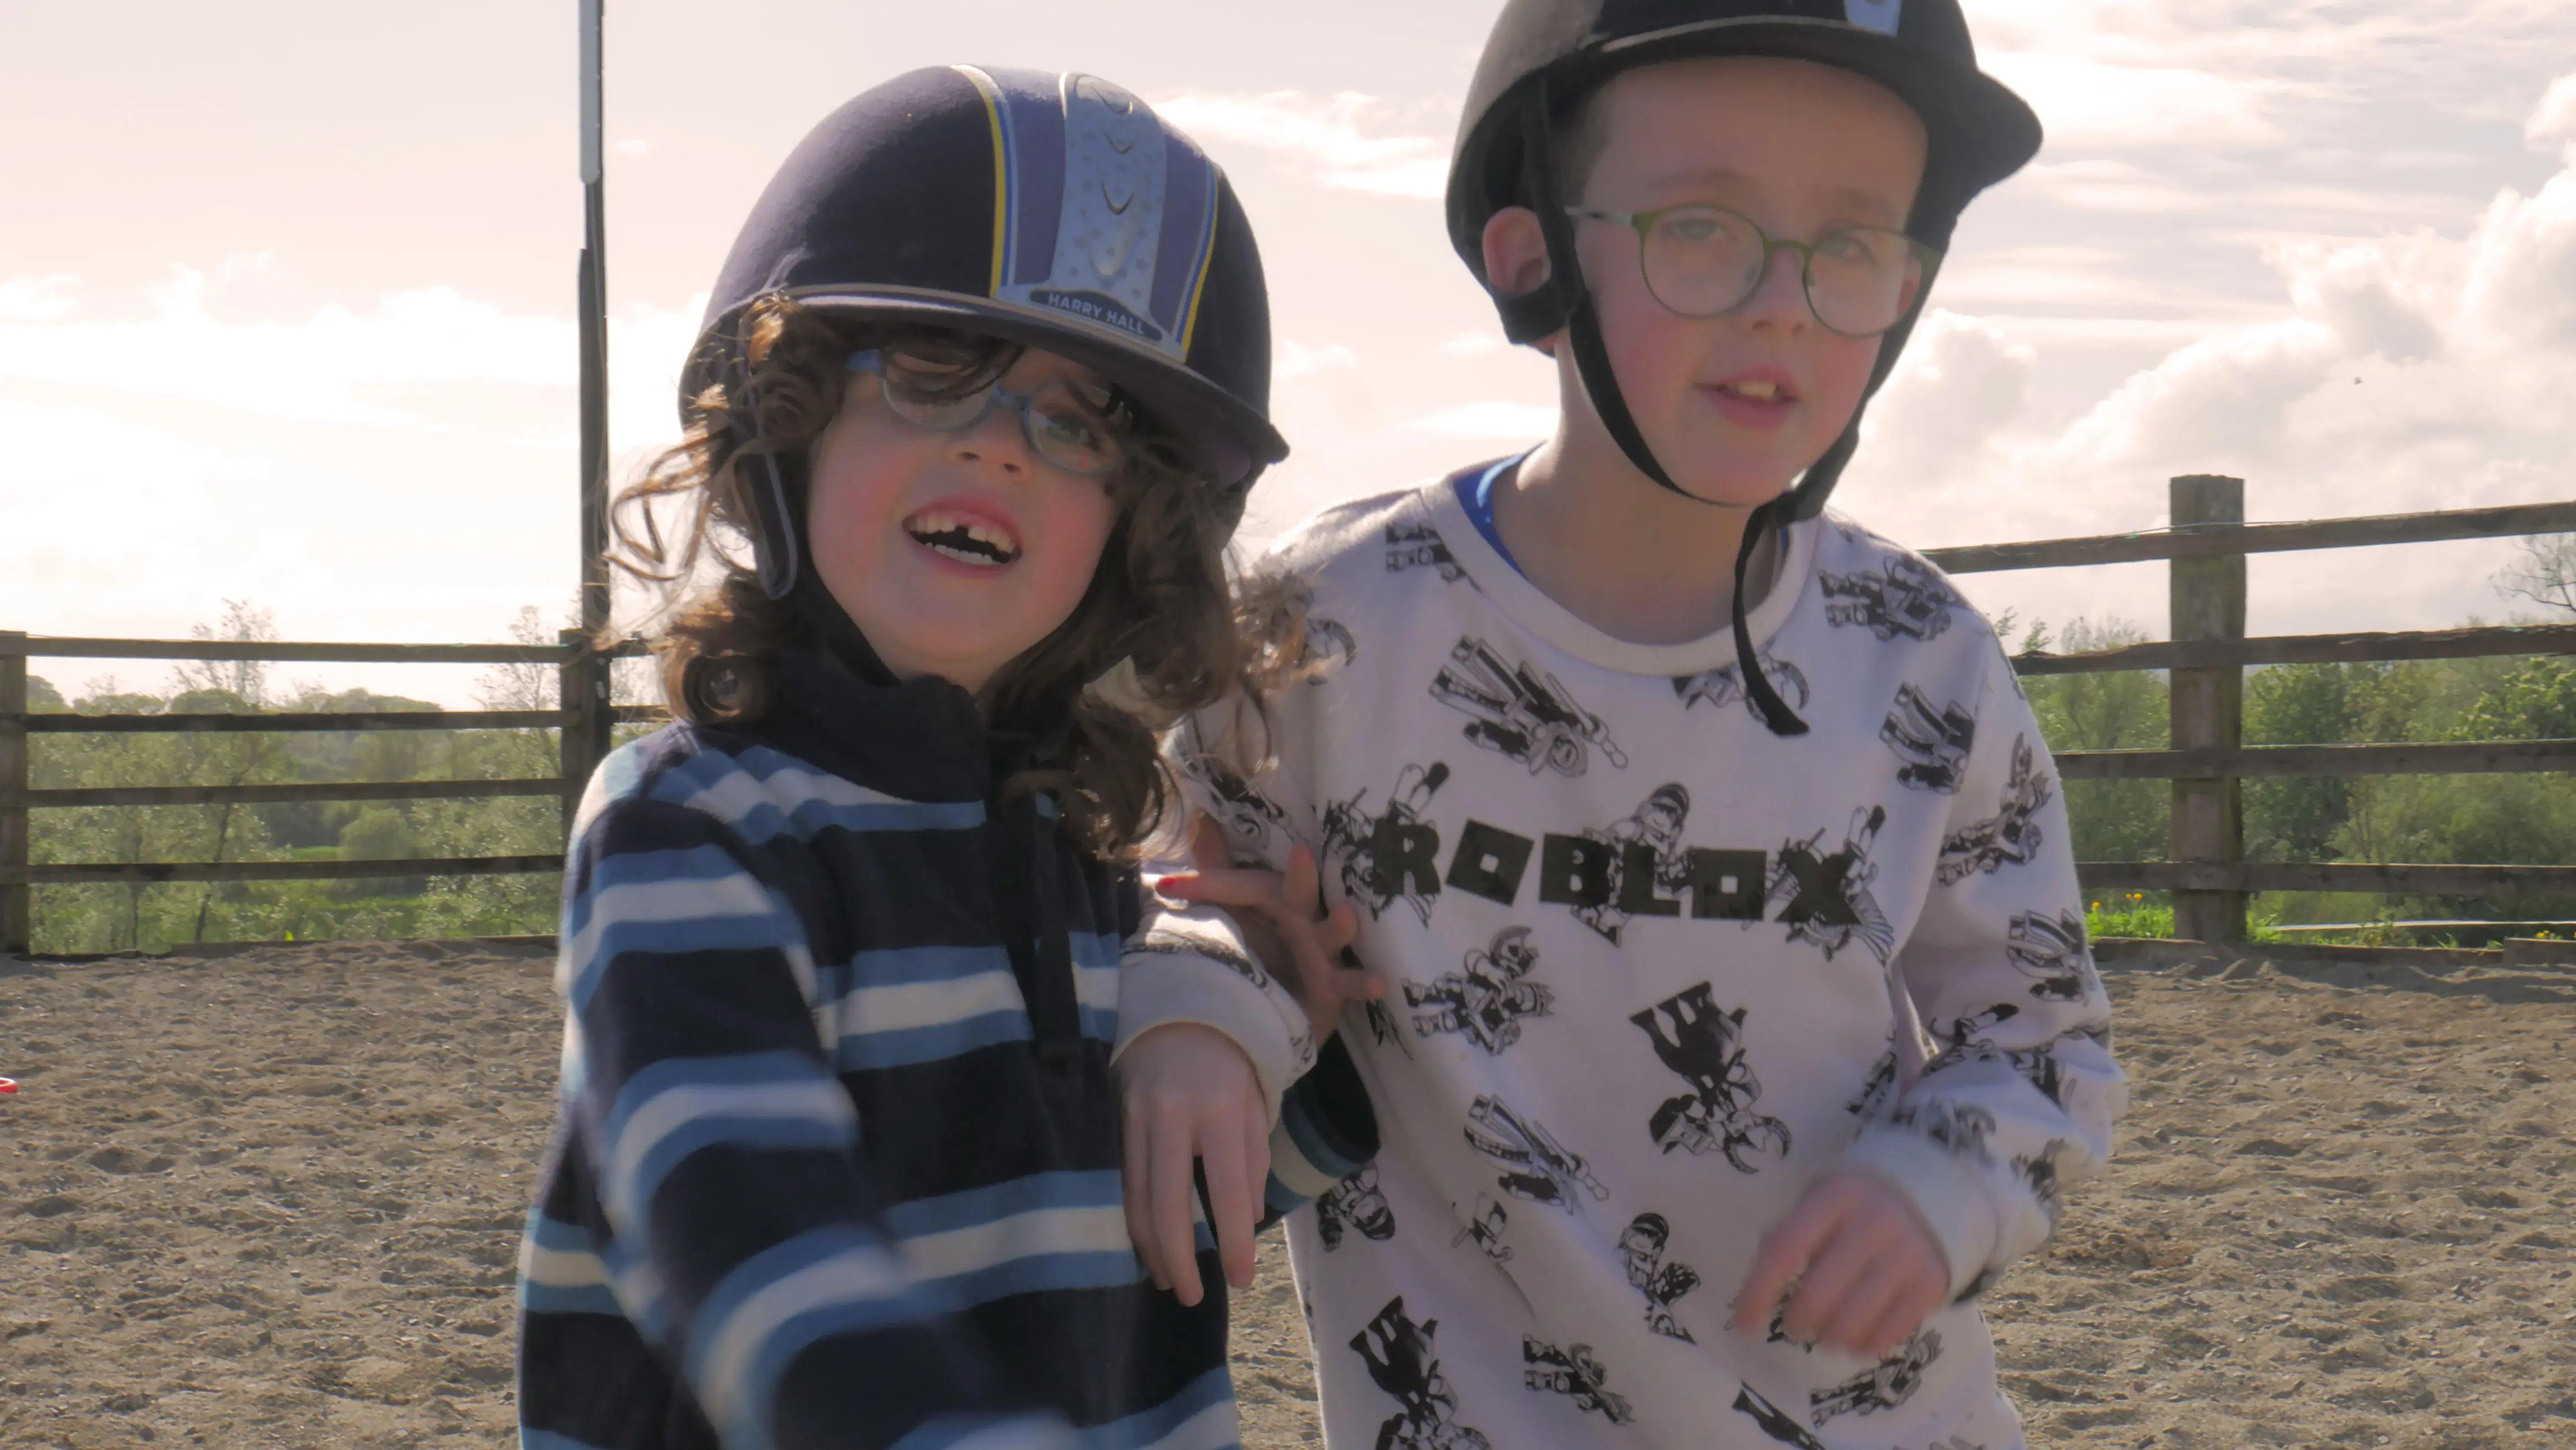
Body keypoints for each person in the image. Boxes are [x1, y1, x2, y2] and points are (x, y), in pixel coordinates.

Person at [1113, 4, 2130, 1446]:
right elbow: (1173, 890)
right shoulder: (1314, 635)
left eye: (1851, 244)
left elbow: (2042, 1039)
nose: (1783, 300)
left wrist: (1941, 1182)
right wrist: (1199, 1002)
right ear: (1530, 259)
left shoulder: (1925, 664)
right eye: (1702, 225)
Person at [512, 65, 1375, 1450]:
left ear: (1136, 532)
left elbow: (1116, 1241)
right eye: (930, 373)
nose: (1002, 446)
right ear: (782, 418)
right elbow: (747, 1254)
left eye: (1081, 420)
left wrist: (1293, 1060)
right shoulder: (693, 830)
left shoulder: (1085, 865)